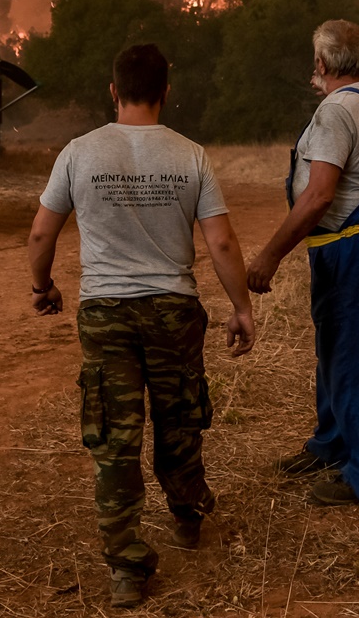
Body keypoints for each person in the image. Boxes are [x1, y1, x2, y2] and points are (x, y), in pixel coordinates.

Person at [27, 43, 256, 609]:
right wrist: (241, 307)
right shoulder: (190, 155)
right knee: (178, 419)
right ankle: (185, 518)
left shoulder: (80, 153)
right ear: (165, 92)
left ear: (114, 90)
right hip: (173, 309)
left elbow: (40, 234)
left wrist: (43, 287)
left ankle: (127, 567)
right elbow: (221, 240)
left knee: (115, 440)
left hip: (105, 314)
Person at [246, 19, 359, 507]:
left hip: (349, 245)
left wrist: (268, 257)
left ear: (323, 64)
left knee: (355, 358)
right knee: (337, 350)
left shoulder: (335, 112)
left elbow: (317, 198)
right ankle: (331, 443)